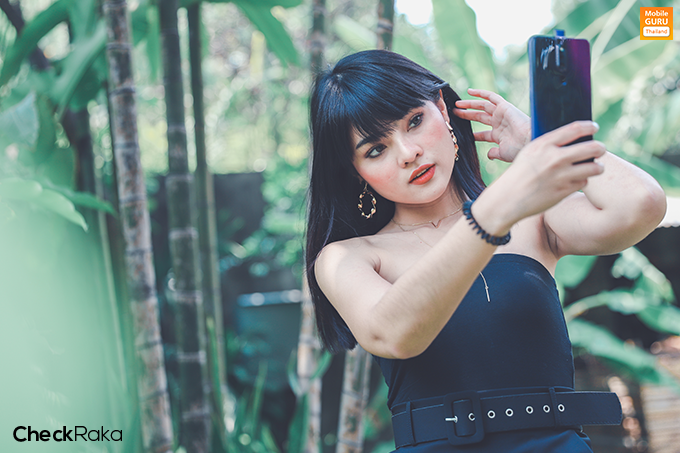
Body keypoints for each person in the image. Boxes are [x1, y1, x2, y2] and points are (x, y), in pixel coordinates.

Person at [305, 50, 666, 452]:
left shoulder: (533, 216)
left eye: (415, 121)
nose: (408, 153)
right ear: (356, 172)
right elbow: (393, 335)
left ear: (443, 109)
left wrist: (540, 141)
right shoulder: (347, 257)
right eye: (376, 149)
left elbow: (641, 205)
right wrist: (494, 212)